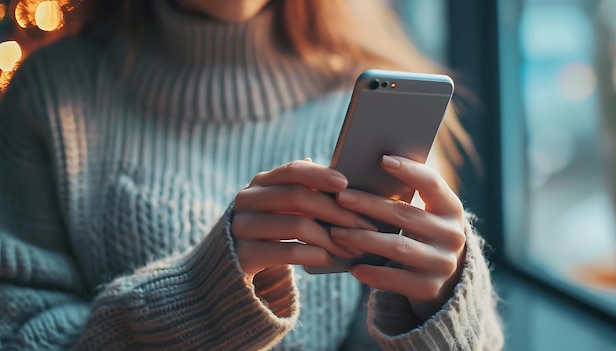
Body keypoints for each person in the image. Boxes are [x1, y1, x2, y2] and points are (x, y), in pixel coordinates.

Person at [0, 0, 504, 349]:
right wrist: (202, 300)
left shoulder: (376, 99)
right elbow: (19, 335)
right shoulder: (51, 95)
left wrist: (441, 311)